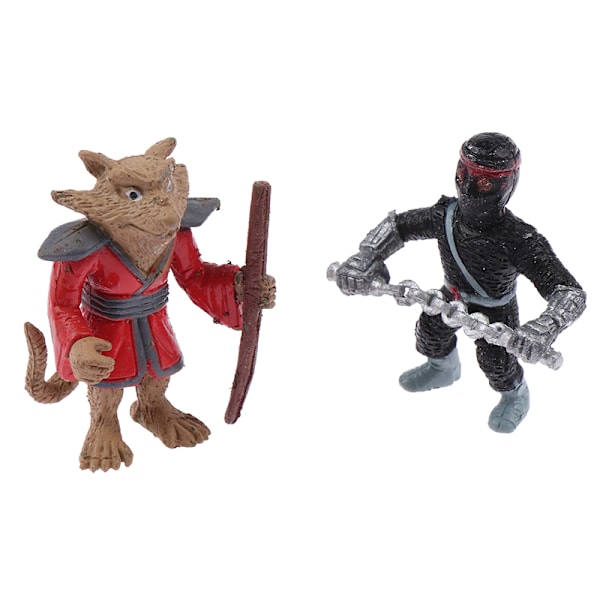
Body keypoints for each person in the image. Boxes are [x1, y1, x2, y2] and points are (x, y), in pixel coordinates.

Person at [335, 132, 586, 433]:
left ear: (507, 184)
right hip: (450, 295)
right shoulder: (444, 215)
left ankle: (515, 396)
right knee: (430, 332)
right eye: (463, 174)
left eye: (484, 183)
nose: (468, 188)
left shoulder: (520, 239)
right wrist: (366, 257)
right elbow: (397, 227)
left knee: (496, 361)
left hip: (496, 309)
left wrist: (545, 326)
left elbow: (568, 292)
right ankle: (443, 369)